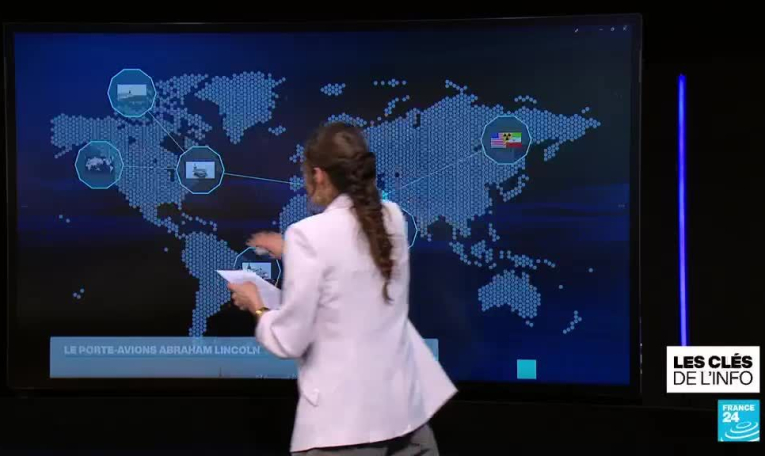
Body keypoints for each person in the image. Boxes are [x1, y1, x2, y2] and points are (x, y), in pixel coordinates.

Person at [227, 122, 456, 455]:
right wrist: (292, 253)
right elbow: (355, 269)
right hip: (406, 418)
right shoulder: (391, 216)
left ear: (318, 175)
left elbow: (290, 340)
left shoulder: (308, 235)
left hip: (345, 430)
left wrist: (257, 305)